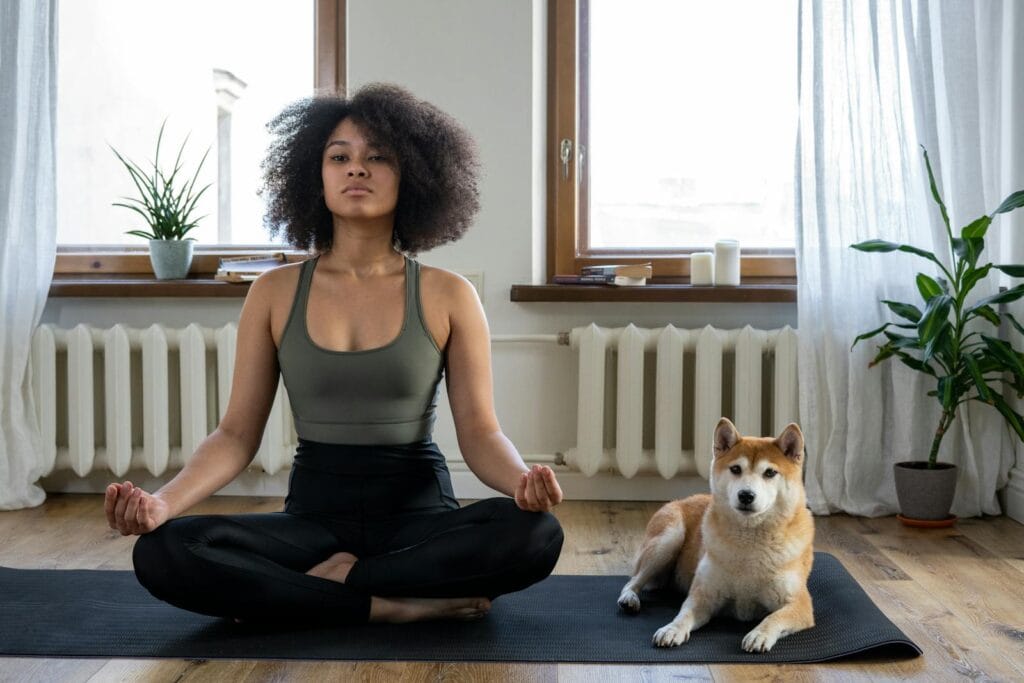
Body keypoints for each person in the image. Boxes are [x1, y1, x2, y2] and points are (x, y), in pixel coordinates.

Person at [104, 83, 565, 625]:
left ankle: (327, 589)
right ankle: (387, 605)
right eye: (339, 156)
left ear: (412, 174)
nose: (357, 169)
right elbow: (234, 436)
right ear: (314, 176)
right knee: (164, 550)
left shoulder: (449, 294)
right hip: (313, 521)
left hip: (418, 518)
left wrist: (520, 485)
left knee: (536, 533)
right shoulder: (272, 292)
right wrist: (162, 503)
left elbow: (482, 434)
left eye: (377, 157)